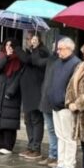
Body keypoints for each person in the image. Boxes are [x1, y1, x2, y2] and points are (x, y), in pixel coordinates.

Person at [47, 37, 81, 168]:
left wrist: (67, 102)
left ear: (69, 48)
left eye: (61, 49)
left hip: (66, 106)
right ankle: (61, 163)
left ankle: (69, 165)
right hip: (55, 105)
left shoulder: (76, 63)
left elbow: (75, 87)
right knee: (60, 136)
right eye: (58, 49)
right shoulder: (57, 63)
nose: (58, 51)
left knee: (69, 137)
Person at [0, 38, 24, 154]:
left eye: (11, 46)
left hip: (10, 92)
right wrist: (6, 57)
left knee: (8, 121)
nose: (9, 47)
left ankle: (8, 146)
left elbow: (19, 76)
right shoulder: (1, 56)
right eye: (7, 45)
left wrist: (11, 91)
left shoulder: (19, 59)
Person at [16, 32, 50, 161]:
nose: (27, 41)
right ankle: (30, 146)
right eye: (26, 39)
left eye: (29, 39)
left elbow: (34, 61)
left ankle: (36, 148)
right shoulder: (32, 51)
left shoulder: (42, 51)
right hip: (28, 91)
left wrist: (35, 47)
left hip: (36, 91)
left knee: (36, 119)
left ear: (37, 39)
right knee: (28, 120)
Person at [37, 42, 59, 167]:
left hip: (56, 101)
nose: (54, 48)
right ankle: (52, 155)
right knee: (50, 130)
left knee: (57, 131)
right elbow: (37, 62)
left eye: (56, 46)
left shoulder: (65, 61)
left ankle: (57, 156)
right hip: (46, 99)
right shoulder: (51, 59)